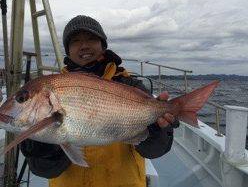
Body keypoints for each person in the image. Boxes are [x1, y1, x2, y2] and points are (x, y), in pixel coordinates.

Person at [21, 15, 179, 187]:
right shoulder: (54, 88)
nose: (84, 45)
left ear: (103, 45)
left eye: (91, 39)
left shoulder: (131, 85)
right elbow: (45, 171)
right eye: (75, 41)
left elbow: (154, 151)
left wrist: (157, 131)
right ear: (67, 50)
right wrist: (43, 149)